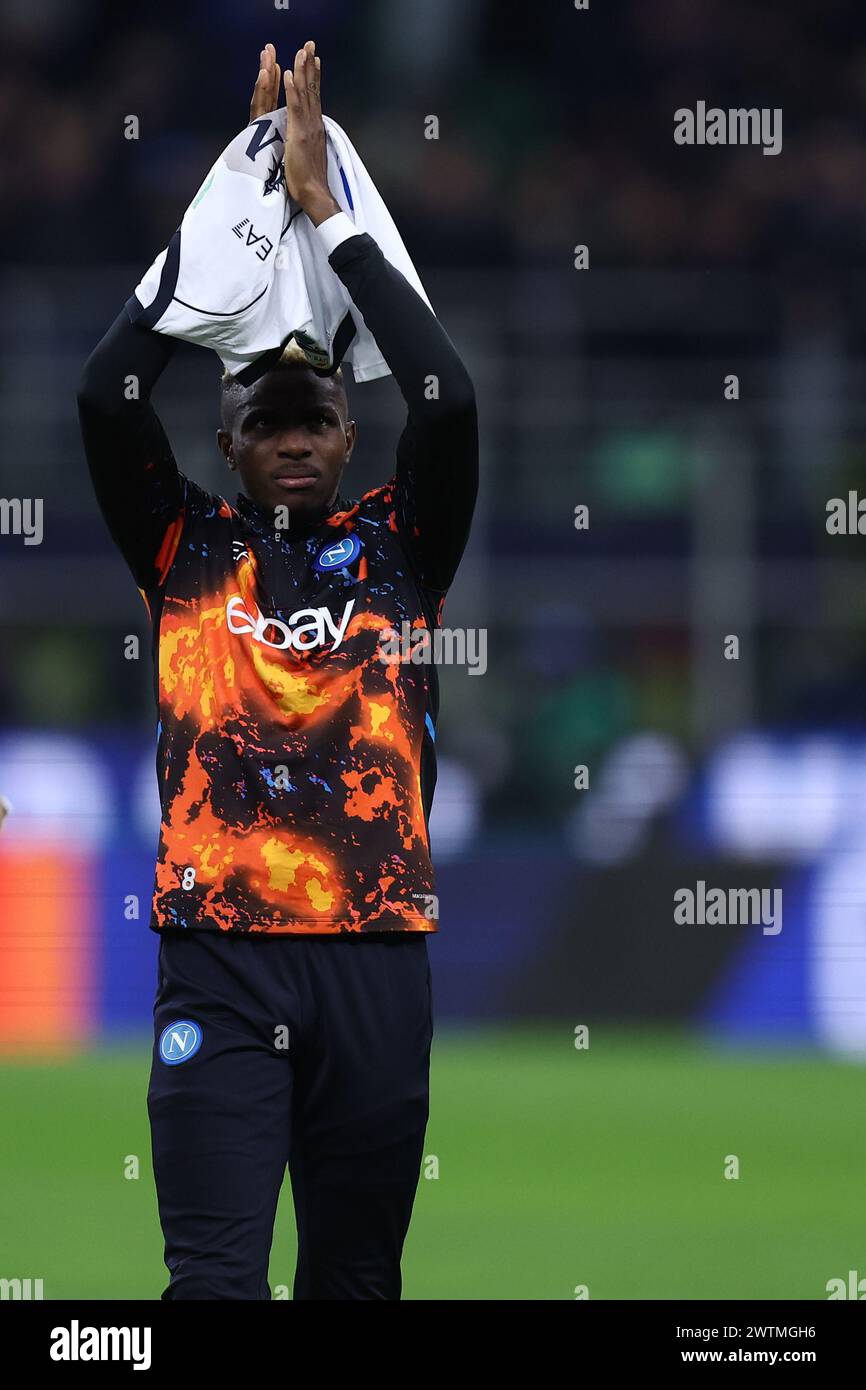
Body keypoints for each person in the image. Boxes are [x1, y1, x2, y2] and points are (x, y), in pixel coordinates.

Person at [76, 39, 478, 1300]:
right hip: (219, 956)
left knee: (354, 1283)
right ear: (227, 440)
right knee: (210, 1284)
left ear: (351, 433)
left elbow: (451, 401)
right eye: (268, 423)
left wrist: (326, 221)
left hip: (375, 955)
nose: (294, 440)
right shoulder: (182, 543)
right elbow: (105, 390)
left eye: (315, 420)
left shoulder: (402, 546)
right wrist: (227, 219)